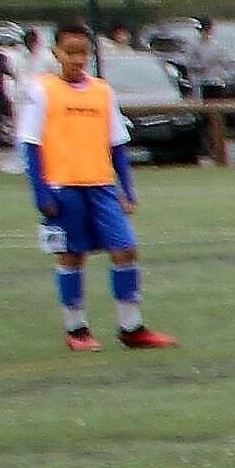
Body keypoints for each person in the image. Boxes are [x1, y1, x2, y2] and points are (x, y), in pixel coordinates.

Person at [17, 23, 166, 347]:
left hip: (101, 186)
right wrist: (41, 193)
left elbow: (117, 145)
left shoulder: (102, 91)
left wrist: (127, 189)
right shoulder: (42, 90)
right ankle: (76, 330)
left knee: (125, 248)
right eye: (70, 52)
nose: (77, 59)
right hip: (63, 187)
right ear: (56, 53)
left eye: (83, 52)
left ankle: (131, 327)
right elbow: (31, 145)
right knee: (72, 255)